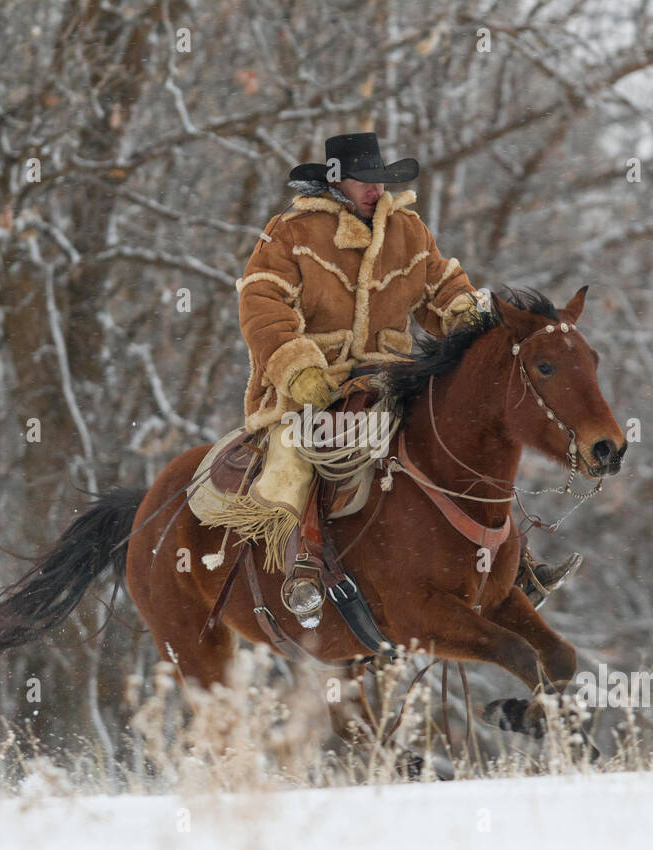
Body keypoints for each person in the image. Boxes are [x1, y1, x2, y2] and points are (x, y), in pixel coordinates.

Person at [235, 132, 578, 625]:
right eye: (364, 182)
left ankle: (515, 564)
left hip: (391, 380)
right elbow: (261, 304)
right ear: (336, 182)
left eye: (380, 180)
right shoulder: (290, 233)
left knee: (462, 440)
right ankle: (303, 568)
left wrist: (474, 327)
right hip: (313, 385)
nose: (376, 191)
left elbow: (445, 289)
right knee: (295, 457)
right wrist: (300, 369)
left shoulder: (408, 231)